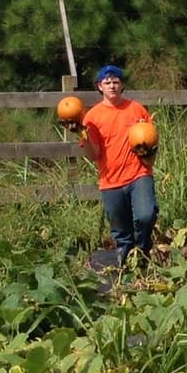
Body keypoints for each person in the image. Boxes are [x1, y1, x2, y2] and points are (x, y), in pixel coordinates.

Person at [72, 65, 159, 266]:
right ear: (100, 87)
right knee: (121, 233)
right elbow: (94, 155)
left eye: (116, 81)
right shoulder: (92, 118)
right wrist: (81, 134)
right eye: (107, 82)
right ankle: (126, 268)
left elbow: (152, 142)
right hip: (110, 180)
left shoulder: (136, 109)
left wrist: (149, 155)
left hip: (139, 174)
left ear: (122, 85)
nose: (112, 85)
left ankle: (144, 250)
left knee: (146, 215)